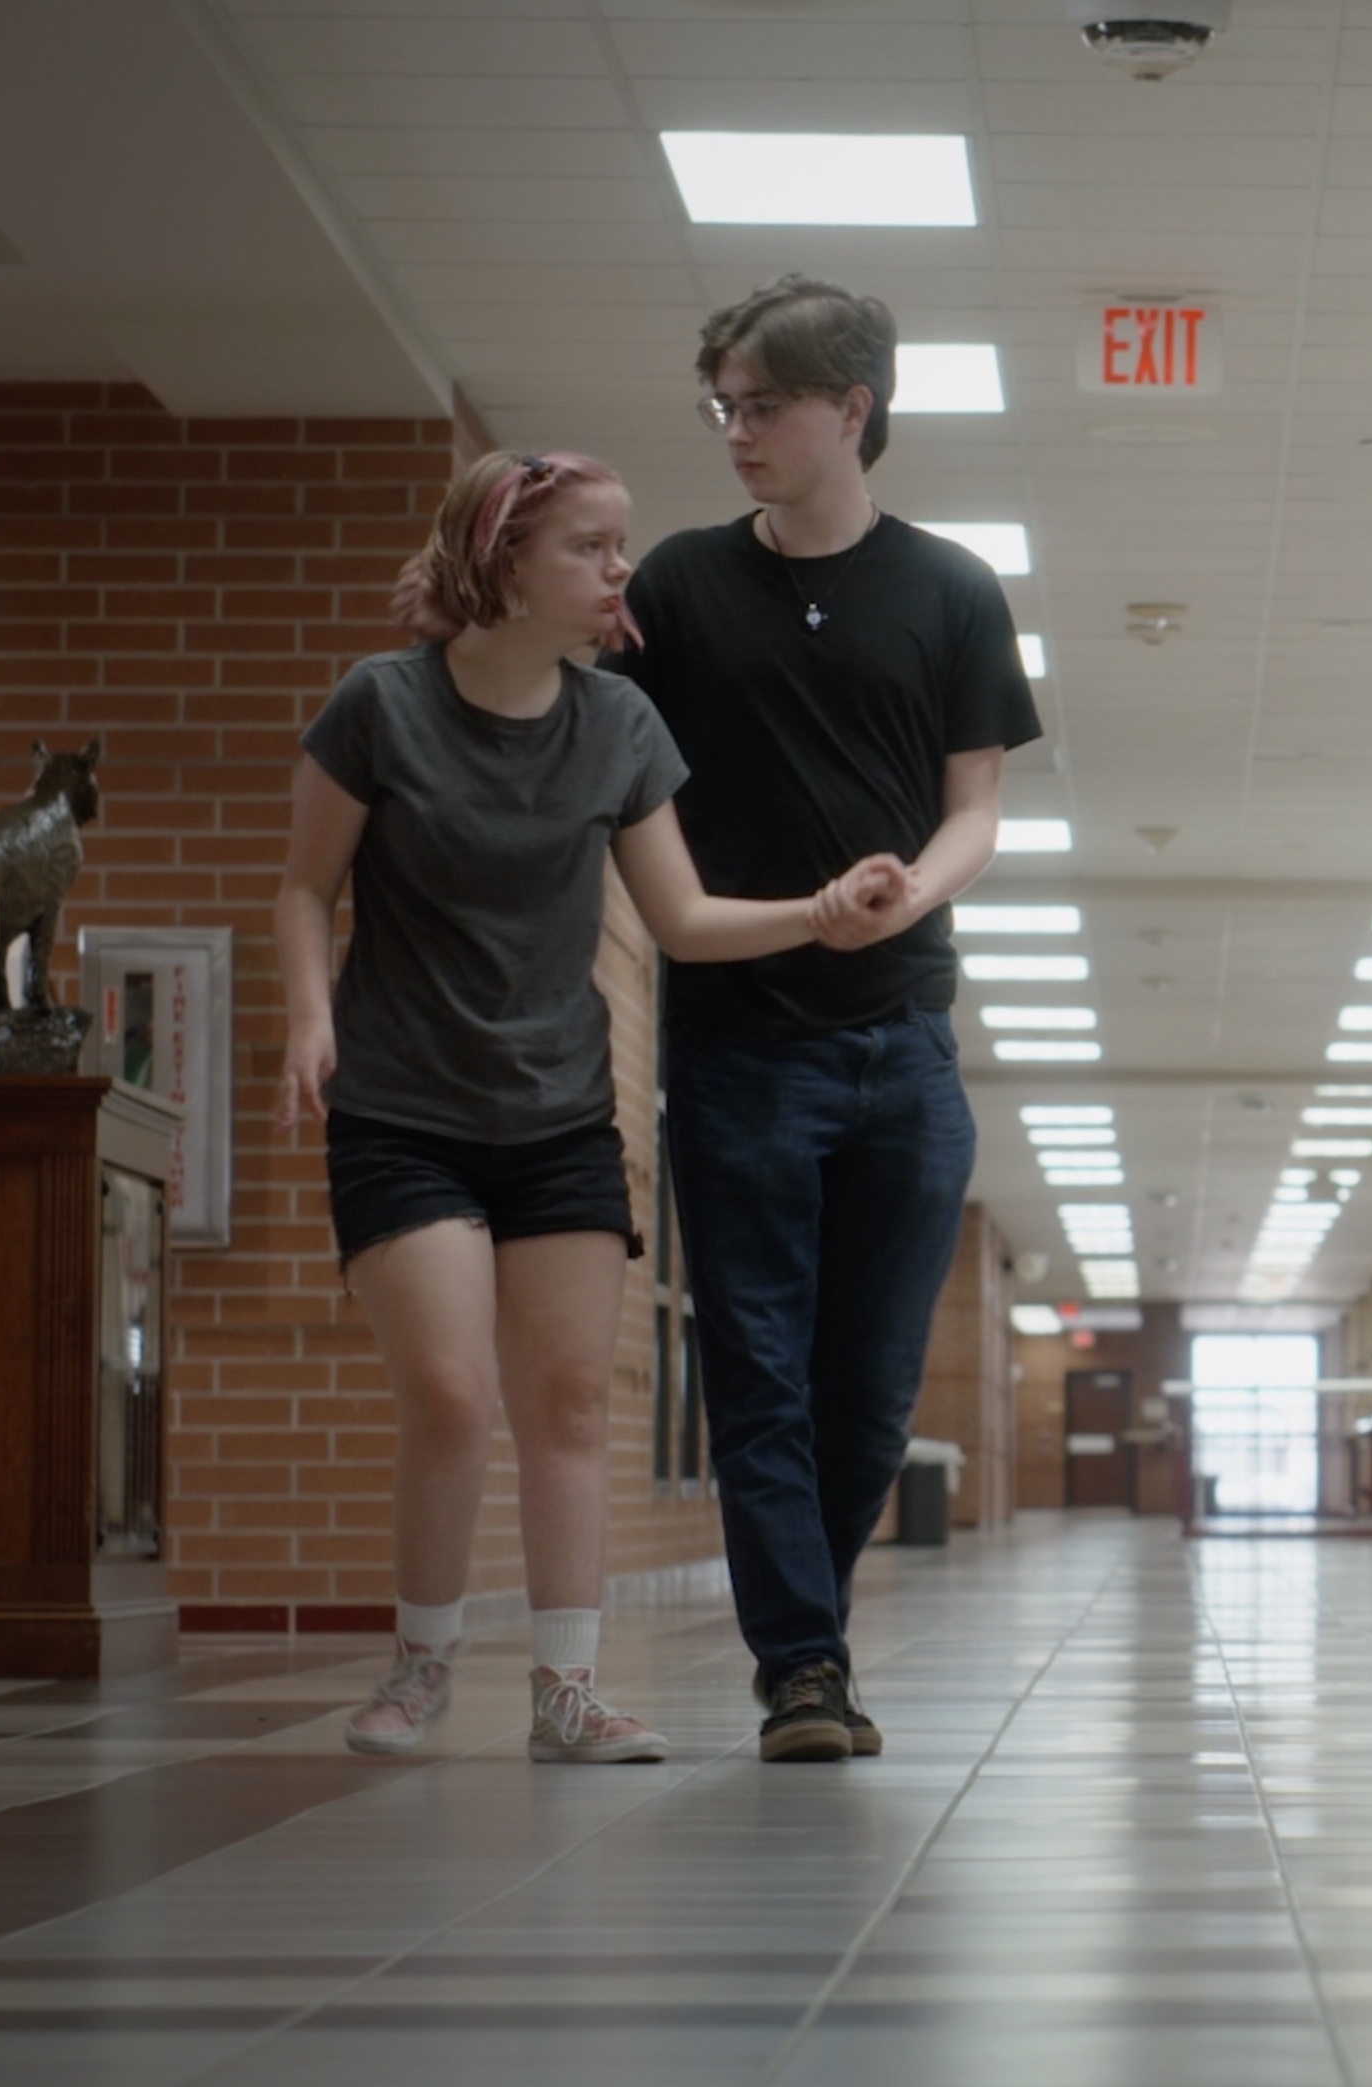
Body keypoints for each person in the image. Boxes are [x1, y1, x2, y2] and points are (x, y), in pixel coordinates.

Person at [397, 277, 1042, 1763]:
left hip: (902, 1044)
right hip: (741, 1044)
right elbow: (553, 693)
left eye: (762, 406)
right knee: (755, 1362)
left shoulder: (947, 590)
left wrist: (907, 897)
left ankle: (804, 1621)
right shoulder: (679, 587)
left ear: (851, 412)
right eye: (723, 408)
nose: (736, 432)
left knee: (868, 1387)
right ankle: (804, 1666)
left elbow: (976, 807)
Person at [276, 446, 903, 1764]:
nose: (623, 573)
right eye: (591, 548)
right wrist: (310, 1019)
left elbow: (676, 918)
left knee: (567, 1403)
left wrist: (817, 913)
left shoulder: (618, 725)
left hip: (557, 1115)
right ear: (502, 560)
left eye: (622, 546)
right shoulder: (379, 708)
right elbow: (303, 886)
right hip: (403, 1105)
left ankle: (568, 1690)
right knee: (450, 1395)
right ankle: (419, 1667)